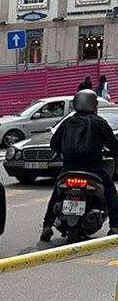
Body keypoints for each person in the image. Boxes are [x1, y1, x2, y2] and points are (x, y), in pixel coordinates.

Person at [40, 88, 118, 241]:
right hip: (93, 170)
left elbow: (54, 145)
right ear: (92, 105)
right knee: (111, 193)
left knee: (56, 193)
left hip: (69, 169)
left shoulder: (68, 122)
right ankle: (114, 227)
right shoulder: (99, 123)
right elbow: (114, 147)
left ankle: (47, 226)